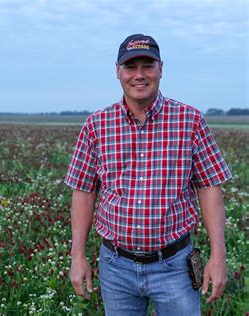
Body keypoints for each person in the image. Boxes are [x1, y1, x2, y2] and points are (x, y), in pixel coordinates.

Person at [65, 33, 232, 315]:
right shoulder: (96, 125)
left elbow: (209, 187)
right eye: (131, 67)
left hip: (175, 266)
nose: (139, 75)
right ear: (118, 71)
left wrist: (219, 255)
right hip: (116, 266)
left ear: (161, 69)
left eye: (148, 66)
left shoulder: (189, 121)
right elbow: (84, 190)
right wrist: (77, 256)